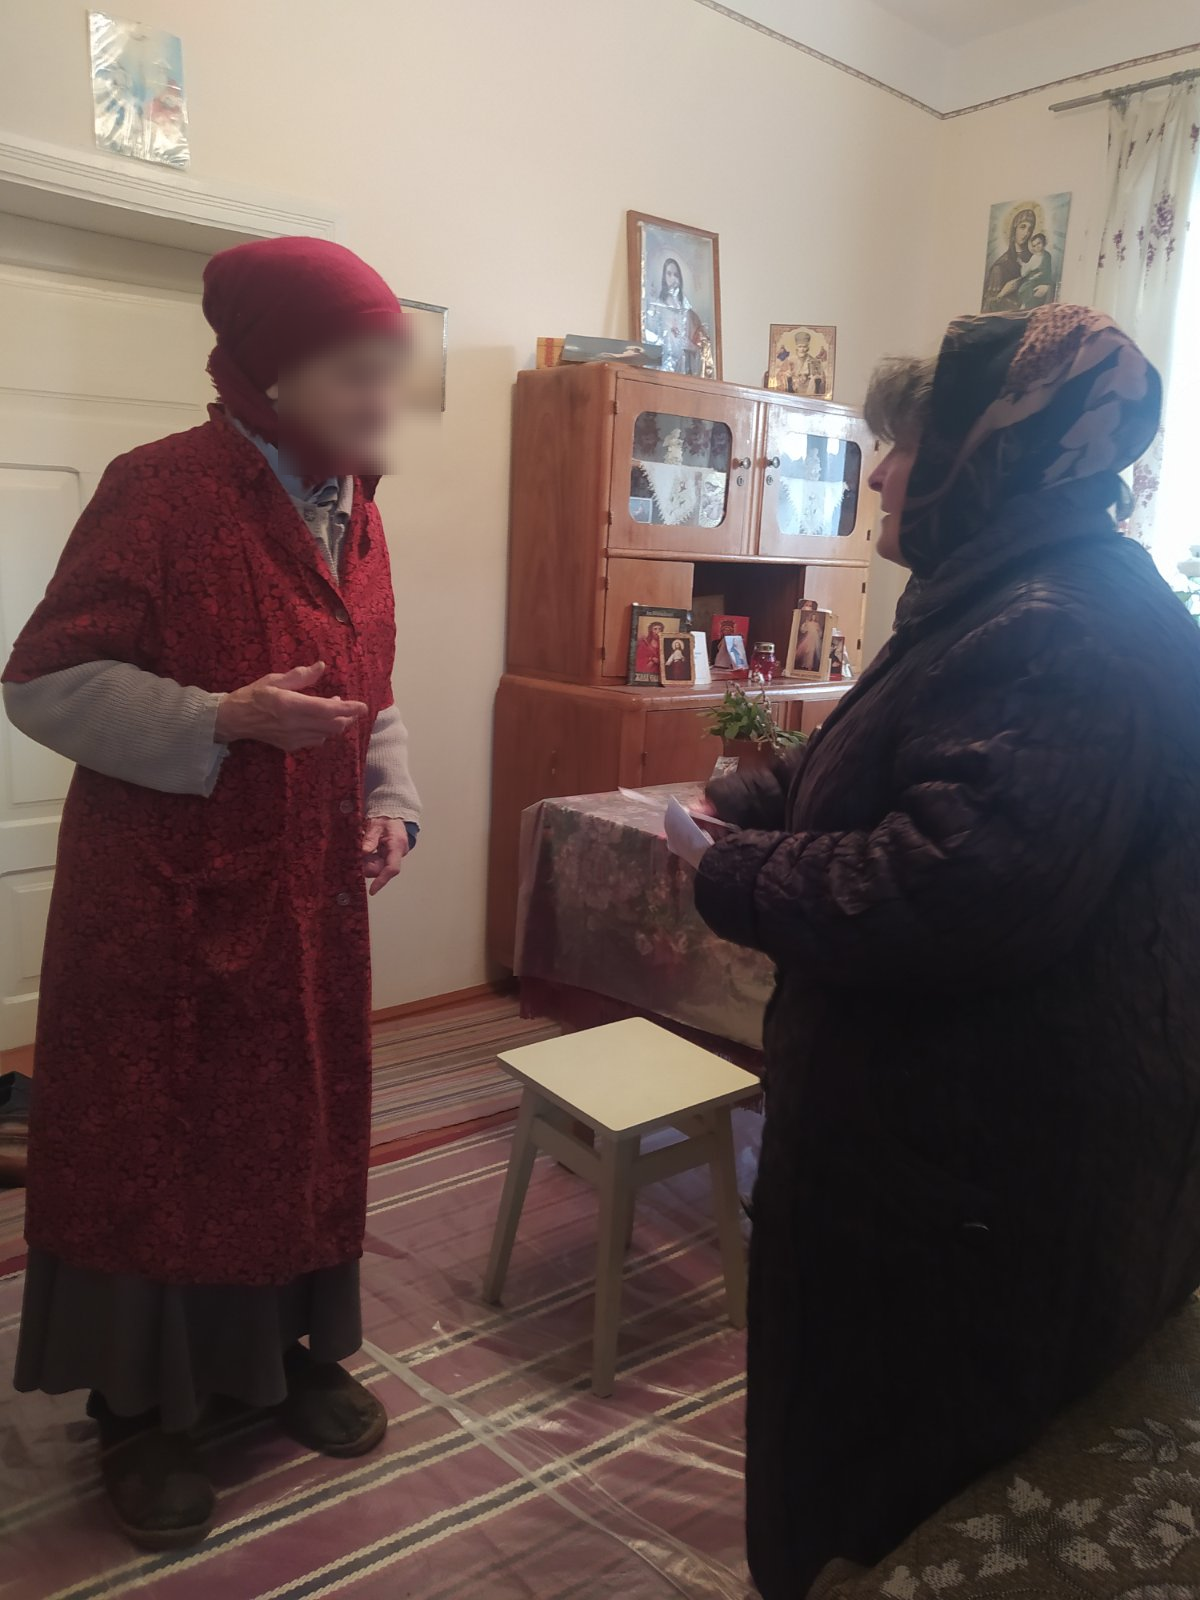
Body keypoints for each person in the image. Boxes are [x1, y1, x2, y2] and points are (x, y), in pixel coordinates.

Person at [687, 306, 1200, 1599]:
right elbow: (926, 770)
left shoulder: (1057, 624)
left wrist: (734, 871)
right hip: (972, 1155)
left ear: (992, 450)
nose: (880, 476)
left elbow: (949, 886)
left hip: (968, 1176)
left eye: (906, 446)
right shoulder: (1025, 595)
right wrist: (773, 793)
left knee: (905, 1479)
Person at [4, 236, 422, 1550]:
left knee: (293, 1128)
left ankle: (285, 1354)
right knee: (161, 1154)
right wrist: (220, 719)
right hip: (162, 910)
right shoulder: (159, 490)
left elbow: (373, 686)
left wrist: (391, 801)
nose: (384, 399)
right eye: (357, 371)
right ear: (270, 373)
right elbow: (42, 684)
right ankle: (139, 1415)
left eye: (391, 370)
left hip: (306, 902)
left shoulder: (357, 502)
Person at [644, 256, 714, 378]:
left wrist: (691, 346)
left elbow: (703, 351)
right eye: (669, 274)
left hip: (683, 373)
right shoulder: (655, 309)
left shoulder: (690, 315)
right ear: (664, 277)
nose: (673, 278)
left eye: (676, 275)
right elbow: (649, 343)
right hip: (661, 373)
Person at [981, 204, 1035, 311]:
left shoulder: (1034, 259)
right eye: (1022, 227)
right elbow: (988, 307)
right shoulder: (1000, 266)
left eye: (1030, 229)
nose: (1026, 233)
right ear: (1014, 229)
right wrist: (1003, 292)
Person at [1017, 231, 1055, 308]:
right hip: (1033, 281)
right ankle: (1025, 305)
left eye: (1039, 243)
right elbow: (1026, 270)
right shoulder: (1034, 257)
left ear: (1043, 243)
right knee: (1025, 290)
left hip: (1044, 280)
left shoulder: (1047, 255)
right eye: (1034, 246)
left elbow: (1047, 271)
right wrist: (1022, 264)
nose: (1037, 247)